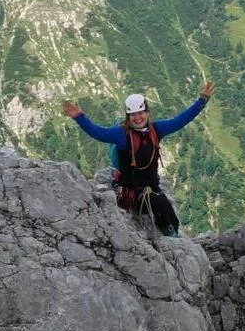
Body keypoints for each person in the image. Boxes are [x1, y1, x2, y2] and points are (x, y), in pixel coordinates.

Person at [62, 82, 215, 235]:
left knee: (169, 213)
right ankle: (171, 237)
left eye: (140, 113)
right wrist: (80, 117)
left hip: (151, 187)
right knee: (162, 205)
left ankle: (169, 231)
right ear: (128, 117)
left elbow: (180, 120)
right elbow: (99, 133)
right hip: (130, 191)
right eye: (133, 115)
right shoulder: (121, 134)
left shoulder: (156, 129)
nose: (137, 118)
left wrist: (202, 101)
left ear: (147, 113)